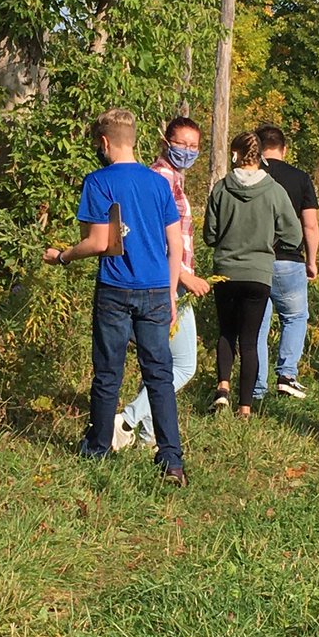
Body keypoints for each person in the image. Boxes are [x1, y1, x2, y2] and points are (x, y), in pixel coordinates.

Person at [42, 108, 188, 486]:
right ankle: (171, 459)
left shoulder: (97, 181)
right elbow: (175, 243)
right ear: (134, 140)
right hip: (156, 288)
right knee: (159, 374)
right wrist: (171, 293)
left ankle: (99, 448)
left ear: (104, 143)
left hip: (116, 288)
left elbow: (98, 242)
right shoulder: (159, 183)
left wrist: (63, 256)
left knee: (108, 373)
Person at [112, 117, 212, 451]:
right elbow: (156, 238)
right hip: (168, 283)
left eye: (194, 146)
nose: (188, 151)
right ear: (166, 141)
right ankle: (126, 419)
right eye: (182, 144)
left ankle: (148, 437)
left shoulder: (175, 178)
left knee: (162, 363)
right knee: (184, 365)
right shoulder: (160, 178)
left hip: (172, 282)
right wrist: (185, 276)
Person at [203, 132, 302, 419]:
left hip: (225, 271)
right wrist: (270, 242)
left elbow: (210, 234)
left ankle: (223, 387)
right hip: (258, 273)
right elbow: (293, 235)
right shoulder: (273, 191)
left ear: (235, 154)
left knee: (226, 332)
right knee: (249, 341)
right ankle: (245, 408)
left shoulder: (221, 189)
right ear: (259, 156)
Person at [252, 125, 319, 401]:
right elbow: (310, 225)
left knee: (258, 324)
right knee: (294, 317)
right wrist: (312, 261)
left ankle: (256, 386)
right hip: (289, 260)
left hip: (253, 260)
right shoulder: (300, 178)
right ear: (284, 148)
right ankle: (286, 375)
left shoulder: (248, 176)